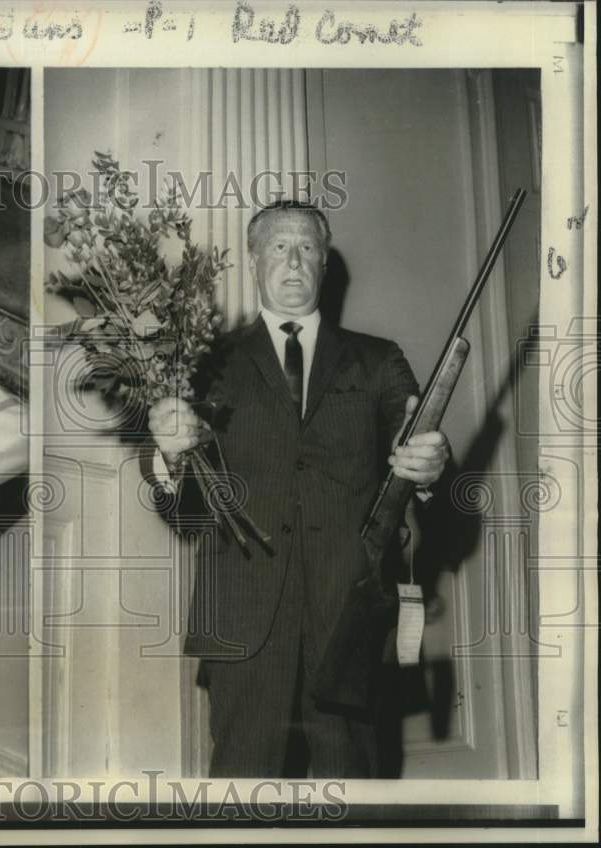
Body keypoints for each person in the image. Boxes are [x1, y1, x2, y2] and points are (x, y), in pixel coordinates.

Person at [148, 200, 450, 778]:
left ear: (325, 266)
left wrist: (431, 464)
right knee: (243, 795)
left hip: (348, 617)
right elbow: (172, 493)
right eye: (279, 247)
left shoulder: (378, 359)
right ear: (253, 258)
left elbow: (419, 438)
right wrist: (165, 452)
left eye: (308, 248)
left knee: (352, 797)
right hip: (242, 620)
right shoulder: (206, 359)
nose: (293, 261)